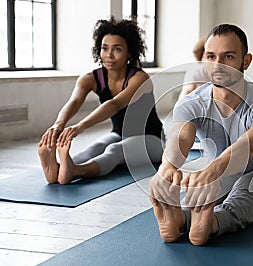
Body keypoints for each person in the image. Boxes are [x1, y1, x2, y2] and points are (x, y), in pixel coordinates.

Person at [149, 24, 253, 246]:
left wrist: (211, 172)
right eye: (211, 56)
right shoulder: (192, 103)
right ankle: (179, 219)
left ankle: (211, 224)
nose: (218, 65)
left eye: (228, 56)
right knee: (201, 192)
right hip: (221, 171)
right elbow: (181, 138)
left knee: (245, 190)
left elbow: (250, 144)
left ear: (245, 61)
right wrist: (167, 166)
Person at [38, 17, 163, 184]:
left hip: (153, 140)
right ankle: (61, 167)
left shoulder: (140, 78)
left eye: (117, 49)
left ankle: (75, 171)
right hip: (119, 133)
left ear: (130, 52)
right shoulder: (90, 78)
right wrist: (58, 125)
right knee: (95, 147)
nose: (109, 55)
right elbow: (74, 102)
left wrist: (80, 126)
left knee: (115, 150)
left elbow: (115, 104)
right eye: (104, 48)